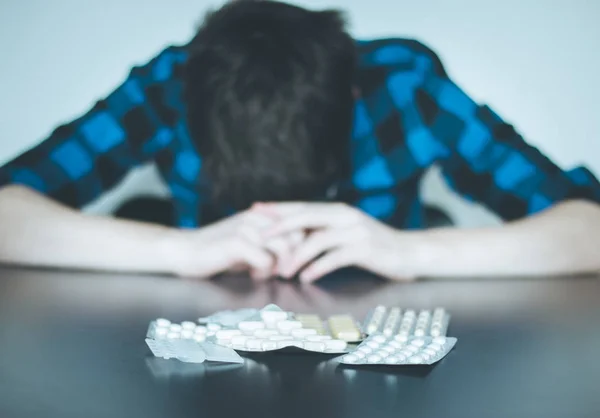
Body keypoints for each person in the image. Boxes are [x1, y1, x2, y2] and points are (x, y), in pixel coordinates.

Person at [0, 0, 599, 283]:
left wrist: (416, 253)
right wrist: (172, 250)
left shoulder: (400, 83)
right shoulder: (173, 81)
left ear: (354, 102)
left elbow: (589, 229)